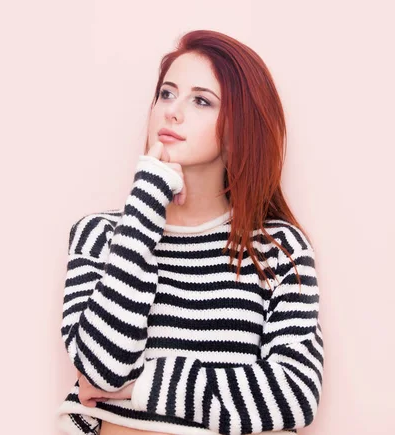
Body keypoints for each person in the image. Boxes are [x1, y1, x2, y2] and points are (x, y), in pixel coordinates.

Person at [56, 29, 323, 435]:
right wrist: (145, 201)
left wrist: (146, 384)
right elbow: (101, 367)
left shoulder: (276, 249)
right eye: (166, 93)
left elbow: (294, 395)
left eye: (201, 100)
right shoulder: (101, 234)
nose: (172, 112)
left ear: (238, 127)